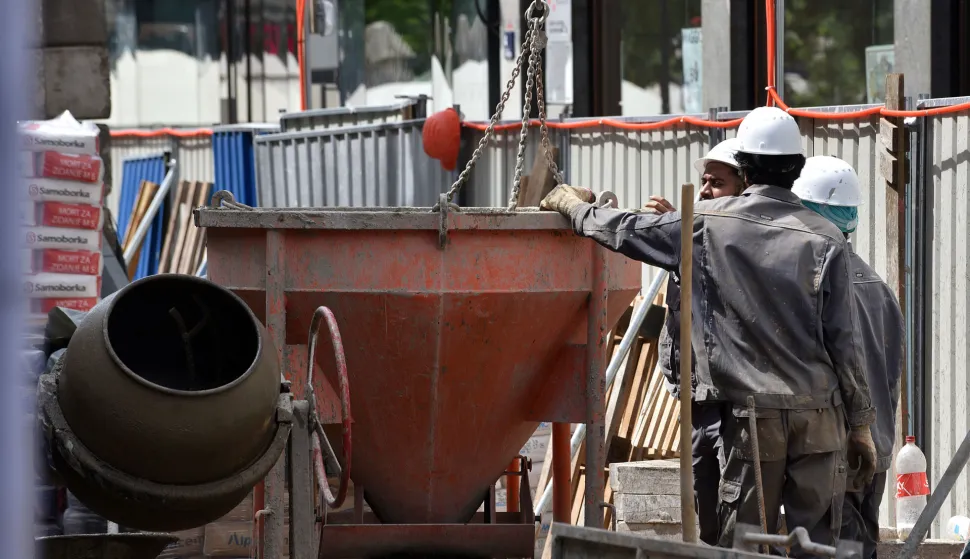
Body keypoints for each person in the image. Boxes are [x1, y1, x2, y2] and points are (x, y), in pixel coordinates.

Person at [538, 106, 877, 555]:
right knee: (819, 547)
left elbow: (625, 228)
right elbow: (845, 346)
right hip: (821, 418)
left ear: (744, 166)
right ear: (796, 169)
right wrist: (861, 426)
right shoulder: (826, 238)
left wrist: (575, 209)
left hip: (754, 423)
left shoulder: (707, 223)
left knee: (746, 546)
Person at [793, 156, 904, 558]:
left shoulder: (814, 287)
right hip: (872, 454)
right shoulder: (878, 287)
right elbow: (890, 381)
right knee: (860, 551)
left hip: (833, 455)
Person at [646, 137, 745, 545]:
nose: (705, 191)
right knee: (700, 483)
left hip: (730, 398)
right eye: (702, 182)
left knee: (731, 486)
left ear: (744, 186)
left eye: (715, 183)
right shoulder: (696, 231)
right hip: (696, 393)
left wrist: (685, 234)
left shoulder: (740, 238)